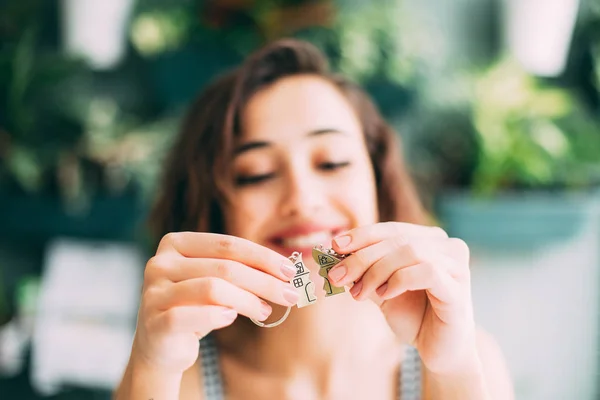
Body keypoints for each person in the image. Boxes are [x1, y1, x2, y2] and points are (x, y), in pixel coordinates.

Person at [114, 39, 513, 399]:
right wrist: (153, 371)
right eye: (256, 174)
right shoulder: (175, 376)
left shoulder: (465, 362)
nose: (302, 200)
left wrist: (452, 373)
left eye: (332, 162)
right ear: (214, 208)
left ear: (378, 180)